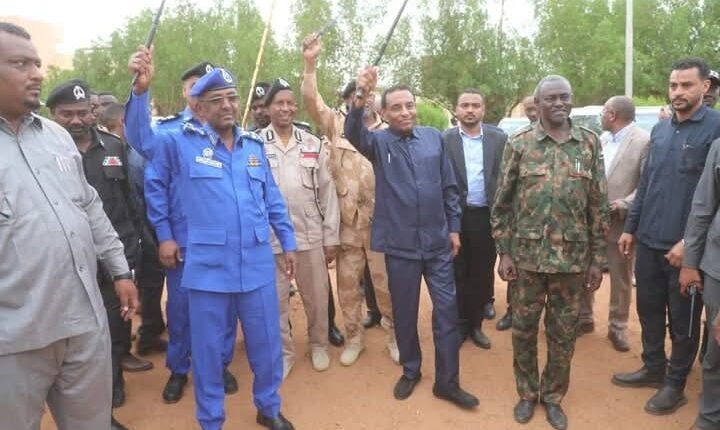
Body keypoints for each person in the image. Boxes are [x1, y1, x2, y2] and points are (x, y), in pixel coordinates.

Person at [0, 22, 138, 430]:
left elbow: (90, 207)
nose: (37, 74)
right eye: (21, 64)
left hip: (84, 323)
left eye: (37, 64)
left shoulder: (57, 138)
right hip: (15, 340)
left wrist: (120, 270)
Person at [147, 65, 298, 430]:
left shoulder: (253, 147)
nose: (227, 105)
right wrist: (140, 92)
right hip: (208, 268)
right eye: (217, 100)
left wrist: (288, 241)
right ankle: (211, 418)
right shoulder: (178, 142)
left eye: (231, 97)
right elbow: (140, 140)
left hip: (257, 263)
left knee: (266, 345)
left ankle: (268, 407)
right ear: (199, 108)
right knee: (208, 350)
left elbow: (272, 199)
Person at [345, 66, 479, 410]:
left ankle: (447, 383)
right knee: (404, 313)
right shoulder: (377, 143)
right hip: (400, 246)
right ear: (384, 113)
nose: (405, 112)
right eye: (396, 108)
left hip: (437, 244)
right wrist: (361, 94)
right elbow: (352, 131)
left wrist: (453, 228)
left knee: (446, 312)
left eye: (409, 105)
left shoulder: (434, 138)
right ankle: (411, 370)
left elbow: (449, 186)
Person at [491, 75, 609, 430]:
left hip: (572, 262)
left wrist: (597, 260)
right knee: (524, 331)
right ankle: (527, 393)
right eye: (551, 98)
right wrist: (504, 252)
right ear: (538, 104)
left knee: (563, 334)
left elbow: (598, 205)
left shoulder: (588, 143)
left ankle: (553, 396)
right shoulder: (520, 143)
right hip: (527, 259)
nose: (559, 103)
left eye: (565, 97)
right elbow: (502, 203)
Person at [126, 51, 238, 402]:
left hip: (226, 242)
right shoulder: (170, 133)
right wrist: (165, 236)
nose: (203, 91)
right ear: (185, 92)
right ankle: (179, 368)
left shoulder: (232, 133)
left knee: (224, 309)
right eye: (195, 86)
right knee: (181, 310)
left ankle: (219, 363)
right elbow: (154, 183)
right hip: (185, 242)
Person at [613, 57, 720, 415]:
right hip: (648, 241)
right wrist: (631, 228)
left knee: (684, 320)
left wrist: (690, 244)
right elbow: (646, 184)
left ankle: (675, 383)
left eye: (686, 85)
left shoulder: (716, 129)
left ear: (705, 87)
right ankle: (653, 367)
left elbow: (714, 199)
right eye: (673, 85)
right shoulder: (659, 130)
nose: (678, 92)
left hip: (686, 250)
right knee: (648, 309)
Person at [46, 78, 149, 416]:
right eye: (67, 114)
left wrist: (135, 243)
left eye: (83, 112)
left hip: (117, 254)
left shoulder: (114, 148)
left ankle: (114, 382)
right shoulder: (44, 154)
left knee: (117, 325)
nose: (77, 120)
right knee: (79, 334)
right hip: (70, 261)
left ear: (93, 112)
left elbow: (131, 200)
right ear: (52, 114)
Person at [301, 34, 399, 366]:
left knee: (386, 286)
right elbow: (311, 100)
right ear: (349, 100)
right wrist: (310, 64)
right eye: (358, 96)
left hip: (381, 223)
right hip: (346, 224)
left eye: (369, 96)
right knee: (347, 287)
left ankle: (394, 336)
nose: (365, 101)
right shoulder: (336, 126)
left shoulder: (389, 130)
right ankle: (355, 338)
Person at [260, 77, 341, 376]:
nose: (286, 108)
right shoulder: (254, 144)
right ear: (268, 108)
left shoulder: (312, 144)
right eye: (279, 103)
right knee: (275, 301)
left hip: (310, 234)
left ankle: (319, 344)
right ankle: (284, 352)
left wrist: (330, 237)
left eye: (290, 103)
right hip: (271, 238)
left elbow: (328, 193)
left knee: (317, 297)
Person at [578, 96, 650, 351]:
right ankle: (584, 318)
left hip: (620, 224)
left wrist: (622, 204)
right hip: (591, 221)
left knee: (620, 278)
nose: (601, 117)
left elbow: (646, 185)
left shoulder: (643, 141)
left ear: (612, 114)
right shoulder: (603, 139)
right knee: (585, 268)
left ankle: (617, 326)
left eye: (603, 113)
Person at [443, 89, 507, 349]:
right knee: (457, 272)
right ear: (456, 109)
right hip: (455, 216)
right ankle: (459, 325)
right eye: (465, 105)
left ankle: (475, 325)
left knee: (481, 273)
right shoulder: (444, 139)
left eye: (475, 105)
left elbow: (505, 176)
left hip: (486, 216)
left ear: (483, 109)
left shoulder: (499, 139)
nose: (470, 110)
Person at [680, 137, 720, 430]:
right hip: (717, 268)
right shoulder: (718, 147)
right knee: (716, 352)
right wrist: (690, 262)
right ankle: (709, 418)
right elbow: (703, 208)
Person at [496, 94, 539, 332]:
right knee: (517, 275)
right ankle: (512, 312)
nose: (533, 113)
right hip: (521, 224)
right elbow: (506, 189)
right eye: (528, 109)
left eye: (535, 108)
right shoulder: (518, 140)